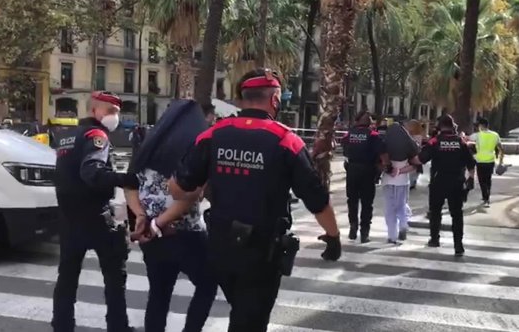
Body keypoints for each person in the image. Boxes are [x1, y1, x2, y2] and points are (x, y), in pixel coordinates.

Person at [141, 69, 341, 332]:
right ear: (275, 99)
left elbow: (178, 188)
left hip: (220, 246)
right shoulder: (286, 140)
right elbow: (316, 198)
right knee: (250, 320)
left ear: (242, 98)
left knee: (242, 312)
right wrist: (333, 237)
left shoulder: (213, 135)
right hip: (262, 252)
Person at [125, 99, 217, 332]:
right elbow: (190, 197)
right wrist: (157, 223)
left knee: (159, 294)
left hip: (152, 237)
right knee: (207, 284)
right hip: (186, 234)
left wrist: (141, 216)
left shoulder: (148, 145)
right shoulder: (195, 148)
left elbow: (130, 185)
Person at [52, 91, 138, 332]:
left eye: (117, 113)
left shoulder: (67, 136)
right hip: (96, 218)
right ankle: (118, 326)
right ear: (94, 111)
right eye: (110, 112)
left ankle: (62, 326)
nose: (115, 117)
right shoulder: (96, 135)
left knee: (67, 278)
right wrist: (126, 179)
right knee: (114, 276)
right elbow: (92, 173)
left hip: (69, 218)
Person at [412, 115, 475, 256]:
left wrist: (409, 158)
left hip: (438, 182)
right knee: (457, 214)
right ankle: (458, 245)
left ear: (440, 126)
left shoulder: (435, 142)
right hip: (457, 182)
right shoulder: (461, 142)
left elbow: (420, 159)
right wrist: (471, 178)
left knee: (435, 212)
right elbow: (471, 163)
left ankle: (435, 239)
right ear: (453, 126)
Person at [341, 111, 388, 242]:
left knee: (352, 201)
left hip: (352, 170)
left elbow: (343, 146)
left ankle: (353, 228)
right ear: (369, 122)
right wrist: (386, 167)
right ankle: (364, 233)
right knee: (367, 203)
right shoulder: (373, 135)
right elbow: (384, 155)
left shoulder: (349, 135)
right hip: (368, 171)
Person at [381, 121, 419, 244]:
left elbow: (378, 163)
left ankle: (392, 236)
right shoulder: (410, 144)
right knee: (401, 205)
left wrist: (389, 169)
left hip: (387, 179)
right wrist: (400, 171)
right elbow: (415, 166)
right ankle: (403, 225)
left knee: (389, 208)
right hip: (402, 181)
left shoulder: (384, 143)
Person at [468, 118, 504, 208]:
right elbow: (501, 148)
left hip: (480, 161)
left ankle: (486, 198)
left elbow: (466, 139)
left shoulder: (477, 135)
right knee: (488, 180)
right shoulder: (495, 135)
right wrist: (501, 161)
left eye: (478, 125)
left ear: (481, 126)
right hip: (490, 161)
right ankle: (487, 196)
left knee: (481, 181)